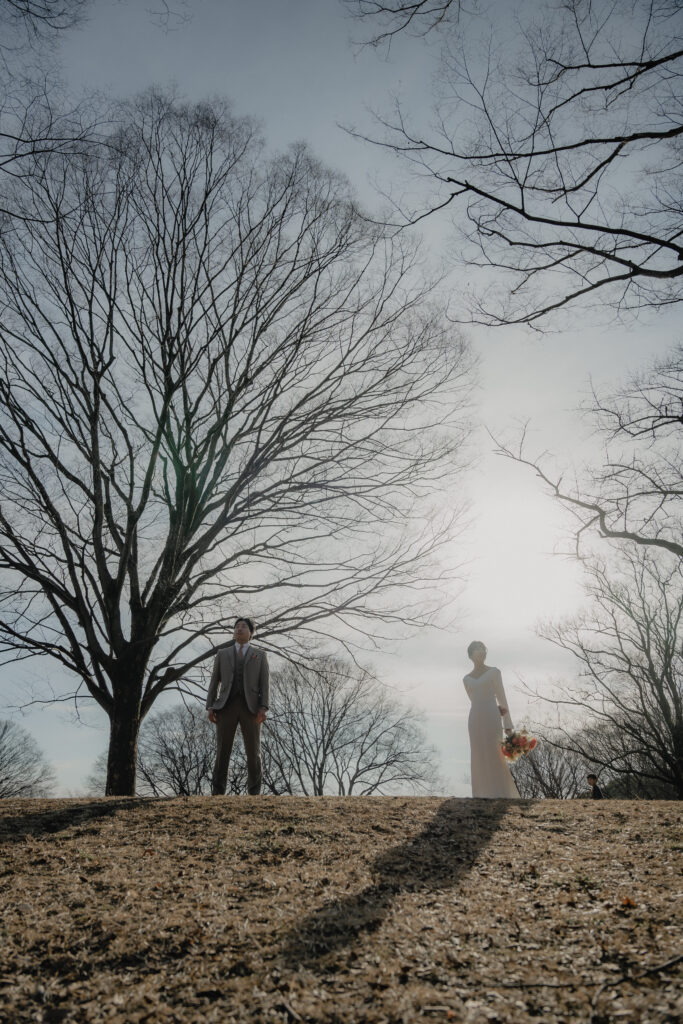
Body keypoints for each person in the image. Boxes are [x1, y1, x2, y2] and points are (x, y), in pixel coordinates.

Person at [206, 617, 270, 795]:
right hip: (225, 706)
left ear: (250, 633)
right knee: (222, 751)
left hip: (251, 709)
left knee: (254, 752)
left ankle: (254, 792)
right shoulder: (222, 654)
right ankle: (217, 792)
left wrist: (263, 707)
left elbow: (265, 684)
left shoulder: (260, 655)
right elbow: (214, 682)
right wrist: (210, 706)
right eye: (237, 626)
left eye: (244, 627)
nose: (239, 629)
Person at [463, 640, 520, 798]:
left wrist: (507, 724)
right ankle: (481, 792)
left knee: (495, 751)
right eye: (477, 649)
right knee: (478, 753)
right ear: (470, 655)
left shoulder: (494, 672)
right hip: (475, 718)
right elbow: (473, 699)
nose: (480, 652)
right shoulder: (466, 679)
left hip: (491, 716)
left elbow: (502, 698)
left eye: (482, 649)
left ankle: (500, 792)